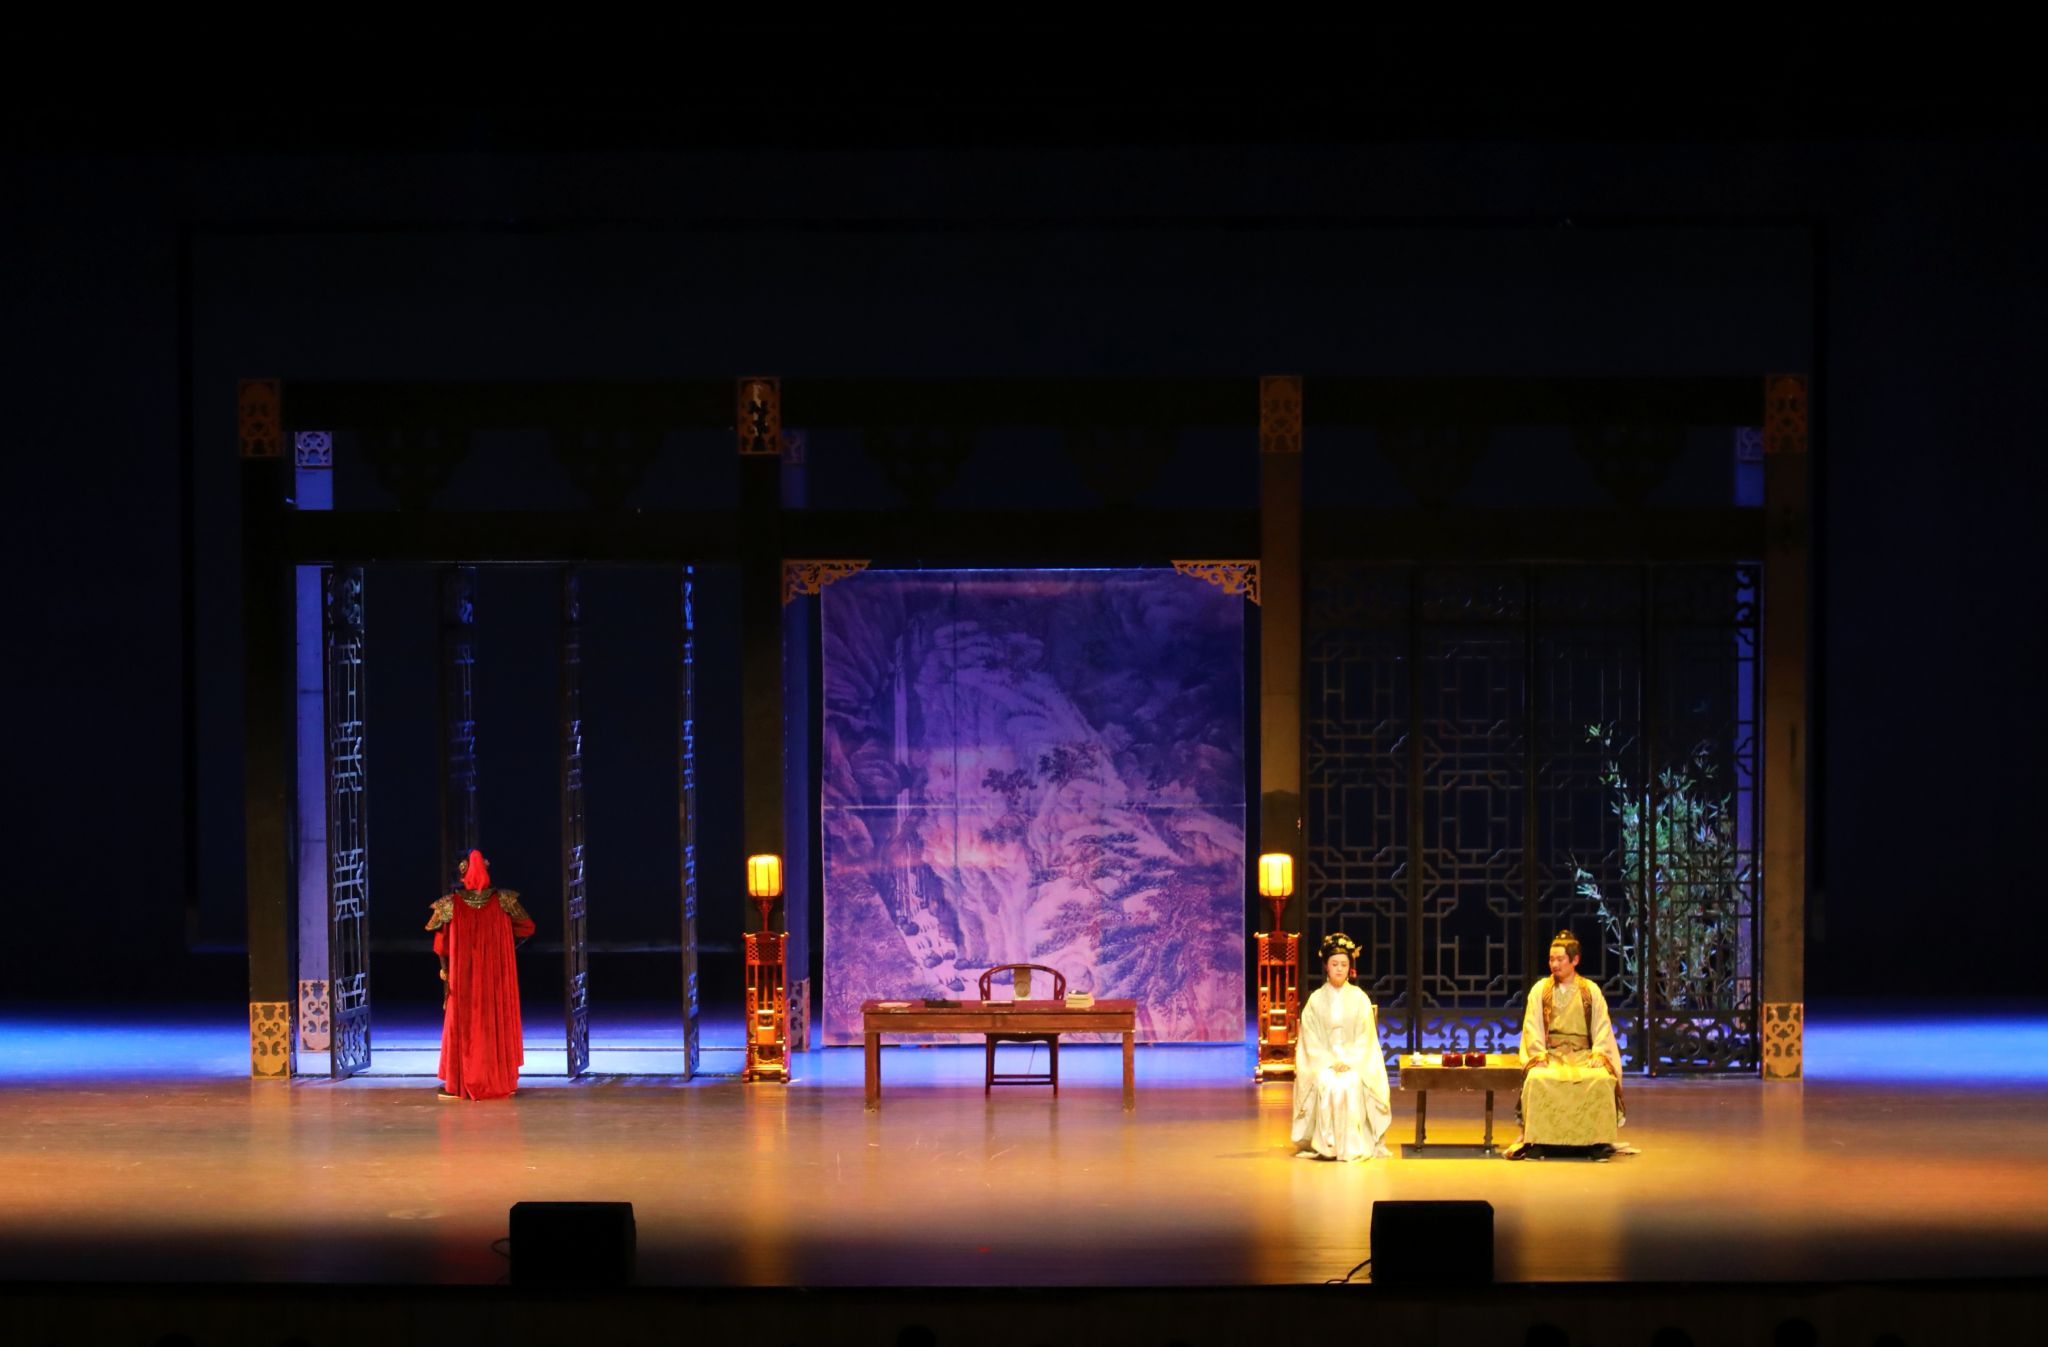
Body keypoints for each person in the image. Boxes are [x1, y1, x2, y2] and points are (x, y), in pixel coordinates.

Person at [426, 849, 535, 1100]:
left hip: (463, 976)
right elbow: (527, 928)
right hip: (495, 975)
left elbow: (440, 945)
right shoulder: (505, 900)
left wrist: (446, 970)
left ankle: (460, 1084)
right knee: (494, 1019)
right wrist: (503, 944)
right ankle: (500, 1081)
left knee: (463, 1022)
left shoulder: (449, 904)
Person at [1506, 929, 1624, 1158]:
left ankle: (1597, 1142)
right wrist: (1538, 1055)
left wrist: (1599, 1054)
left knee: (1600, 1079)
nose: (1554, 964)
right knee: (1538, 1079)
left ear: (1575, 960)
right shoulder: (1541, 990)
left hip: (1583, 1055)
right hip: (1551, 1055)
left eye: (1560, 959)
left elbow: (1601, 1026)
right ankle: (1539, 1140)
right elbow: (1532, 1026)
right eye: (1551, 959)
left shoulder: (1590, 991)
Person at [1290, 932, 1392, 1161]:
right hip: (1324, 1062)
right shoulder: (1315, 1000)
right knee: (1327, 1083)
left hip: (1354, 1062)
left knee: (1350, 1083)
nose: (1339, 969)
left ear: (1349, 968)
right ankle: (1327, 1145)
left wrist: (1349, 1061)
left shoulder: (1360, 998)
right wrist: (1329, 1062)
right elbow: (1310, 1040)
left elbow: (1366, 1039)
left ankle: (1353, 1145)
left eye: (1344, 965)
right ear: (1326, 966)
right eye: (1334, 964)